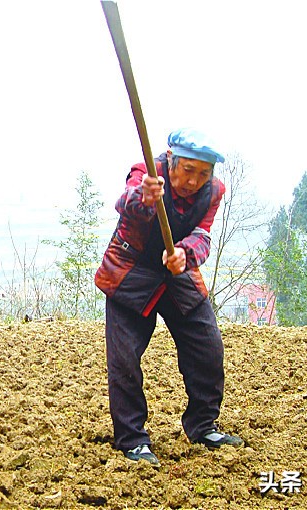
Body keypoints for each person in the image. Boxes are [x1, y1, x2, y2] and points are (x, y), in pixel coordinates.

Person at [94, 128, 243, 467]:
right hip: (131, 271)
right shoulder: (148, 172)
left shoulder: (214, 191)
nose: (193, 181)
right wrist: (146, 197)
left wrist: (186, 255)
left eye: (202, 174)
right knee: (125, 359)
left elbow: (203, 235)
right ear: (172, 162)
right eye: (187, 170)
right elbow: (125, 201)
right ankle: (132, 440)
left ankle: (203, 425)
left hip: (177, 273)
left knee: (207, 346)